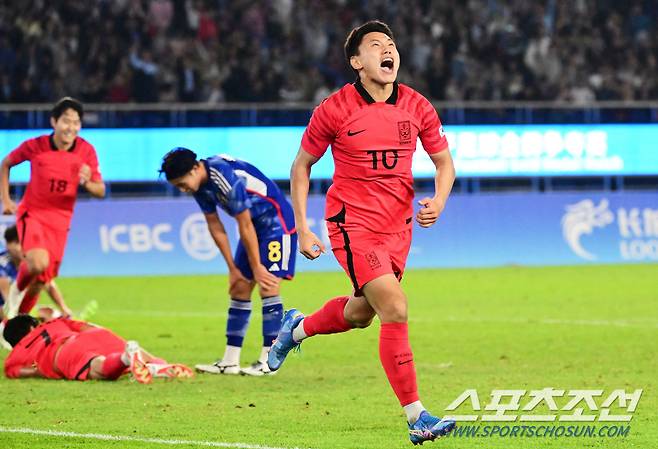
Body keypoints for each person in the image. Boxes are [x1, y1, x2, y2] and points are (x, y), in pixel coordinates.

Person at [267, 21, 457, 444]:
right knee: (395, 307)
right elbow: (301, 167)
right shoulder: (334, 109)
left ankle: (294, 328)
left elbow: (445, 163)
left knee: (361, 314)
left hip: (398, 228)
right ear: (357, 62)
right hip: (352, 224)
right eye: (376, 46)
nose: (388, 51)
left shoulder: (417, 106)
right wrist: (303, 227)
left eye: (391, 45)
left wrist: (439, 201)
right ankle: (417, 417)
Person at [160, 148, 296, 376]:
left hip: (275, 223)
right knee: (240, 286)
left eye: (183, 184)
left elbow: (243, 222)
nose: (184, 190)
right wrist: (233, 268)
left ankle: (268, 362)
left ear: (195, 169)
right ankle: (230, 361)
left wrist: (257, 268)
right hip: (252, 227)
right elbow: (215, 226)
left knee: (268, 285)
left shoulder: (221, 175)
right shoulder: (199, 185)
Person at [0, 97, 105, 317]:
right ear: (54, 122)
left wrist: (86, 182)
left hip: (61, 220)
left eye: (76, 122)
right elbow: (6, 163)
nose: (71, 127)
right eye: (66, 121)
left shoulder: (86, 151)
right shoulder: (35, 145)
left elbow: (100, 191)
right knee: (38, 264)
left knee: (41, 280)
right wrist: (7, 200)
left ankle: (17, 324)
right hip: (33, 213)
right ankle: (15, 294)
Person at [3, 314, 193, 382]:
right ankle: (156, 365)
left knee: (99, 367)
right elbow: (89, 327)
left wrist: (39, 370)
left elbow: (19, 371)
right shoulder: (56, 322)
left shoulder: (17, 352)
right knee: (123, 352)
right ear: (32, 326)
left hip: (64, 351)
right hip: (90, 335)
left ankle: (127, 359)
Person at [0, 225, 71, 321]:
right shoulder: (2, 263)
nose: (22, 248)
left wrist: (64, 308)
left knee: (39, 284)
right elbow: (9, 301)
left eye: (24, 243)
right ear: (8, 244)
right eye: (17, 243)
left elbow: (48, 284)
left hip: (16, 307)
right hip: (6, 306)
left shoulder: (31, 260)